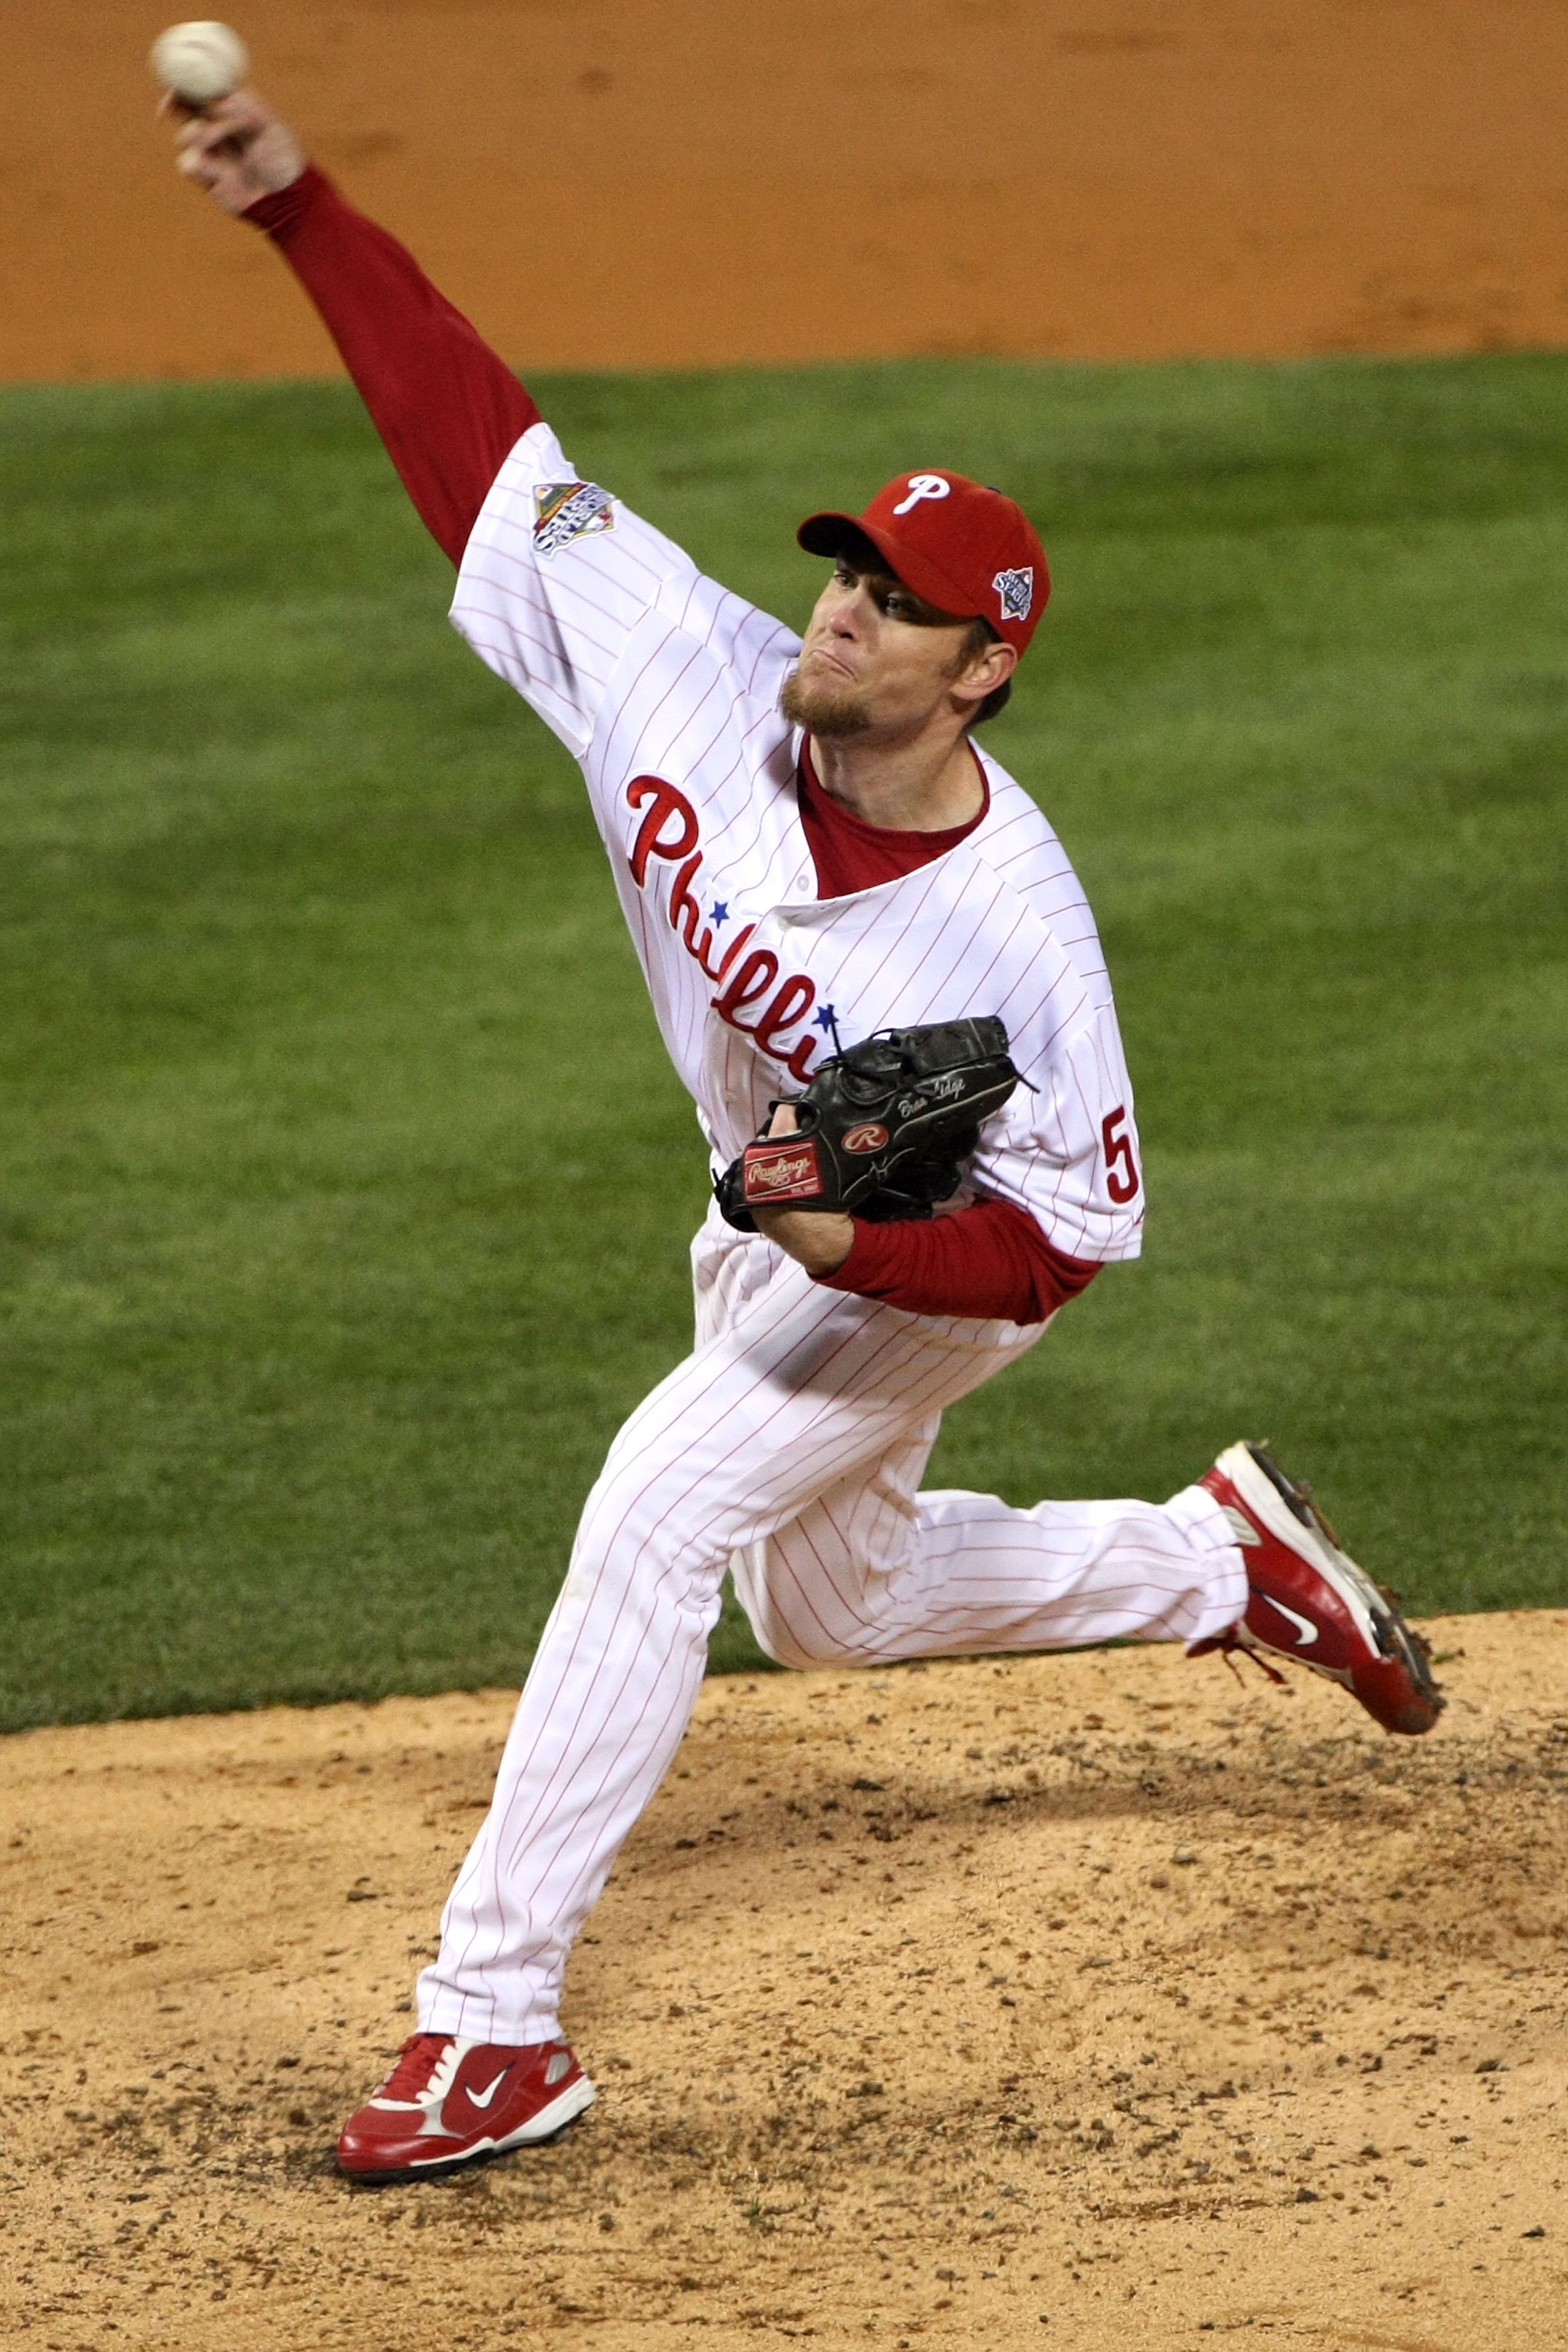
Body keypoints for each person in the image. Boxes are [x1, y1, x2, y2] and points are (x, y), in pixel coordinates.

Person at [168, 90, 1443, 2184]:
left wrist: (852, 1253)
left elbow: (1058, 1252)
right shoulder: (692, 672)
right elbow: (486, 459)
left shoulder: (1019, 942)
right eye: (849, 562)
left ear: (984, 668)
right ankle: (1225, 1560)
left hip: (938, 1268)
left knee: (658, 1510)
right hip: (790, 1216)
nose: (842, 606)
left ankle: (490, 2025)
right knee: (829, 1614)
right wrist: (299, 212)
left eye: (900, 596)